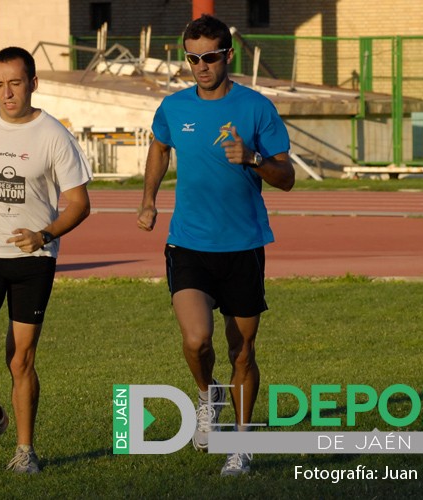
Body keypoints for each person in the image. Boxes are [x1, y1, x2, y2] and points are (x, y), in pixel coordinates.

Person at [136, 15, 295, 476]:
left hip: (243, 245)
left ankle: (241, 448)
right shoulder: (173, 107)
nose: (200, 66)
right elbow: (159, 148)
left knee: (242, 351)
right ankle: (208, 395)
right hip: (188, 243)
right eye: (192, 58)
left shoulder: (256, 108)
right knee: (196, 338)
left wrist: (253, 157)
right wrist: (148, 200)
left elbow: (286, 178)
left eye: (209, 57)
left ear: (228, 56)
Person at [0, 46, 92, 474]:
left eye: (15, 83)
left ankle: (25, 450)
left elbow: (79, 204)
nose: (6, 93)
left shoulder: (53, 135)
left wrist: (44, 235)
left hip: (34, 259)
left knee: (20, 359)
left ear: (33, 83)